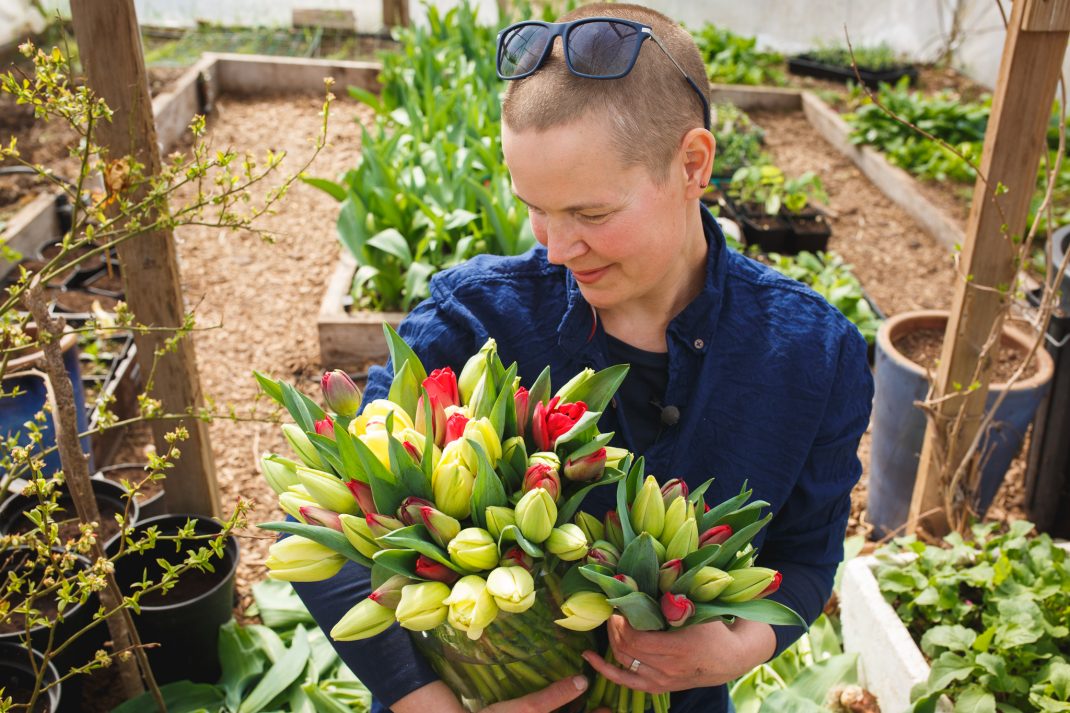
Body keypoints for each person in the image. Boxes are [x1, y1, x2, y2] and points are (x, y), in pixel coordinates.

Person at [292, 3, 874, 712]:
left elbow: (808, 556)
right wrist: (424, 702)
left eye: (590, 214)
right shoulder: (475, 320)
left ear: (693, 162)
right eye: (535, 206)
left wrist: (742, 643)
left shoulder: (813, 357)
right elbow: (330, 514)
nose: (557, 249)